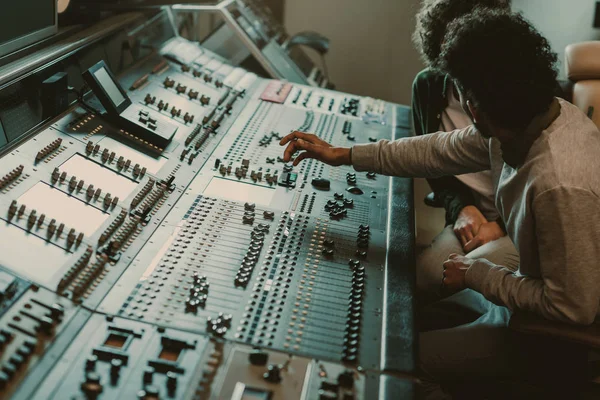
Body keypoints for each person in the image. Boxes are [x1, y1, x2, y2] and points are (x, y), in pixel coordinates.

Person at [280, 8, 600, 398]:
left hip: (545, 340)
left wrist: (478, 274)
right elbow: (437, 150)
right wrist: (345, 154)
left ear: (474, 106)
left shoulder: (558, 184)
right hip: (517, 301)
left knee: (393, 363)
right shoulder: (529, 118)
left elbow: (573, 309)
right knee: (405, 316)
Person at [411, 0, 519, 300]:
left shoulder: (520, 91)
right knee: (428, 275)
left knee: (462, 279)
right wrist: (462, 209)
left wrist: (500, 226)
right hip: (472, 218)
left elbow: (538, 186)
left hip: (520, 226)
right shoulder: (428, 87)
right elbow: (432, 163)